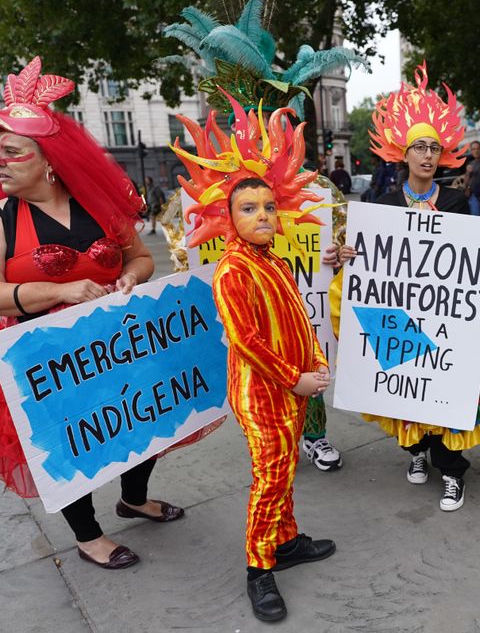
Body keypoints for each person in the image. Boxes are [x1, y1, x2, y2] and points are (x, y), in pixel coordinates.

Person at [0, 57, 193, 570]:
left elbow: (141, 257)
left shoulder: (98, 206)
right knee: (69, 445)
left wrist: (130, 277)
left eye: (13, 152)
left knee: (140, 424)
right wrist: (53, 291)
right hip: (46, 356)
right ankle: (88, 535)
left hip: (117, 344)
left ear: (49, 160)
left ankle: (134, 498)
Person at [171, 97, 336, 622]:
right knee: (269, 476)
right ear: (228, 218)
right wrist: (295, 377)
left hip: (292, 390)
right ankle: (259, 569)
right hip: (261, 395)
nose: (262, 215)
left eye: (268, 206)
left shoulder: (277, 262)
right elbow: (246, 339)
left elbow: (298, 318)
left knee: (285, 471)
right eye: (249, 208)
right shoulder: (232, 271)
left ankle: (285, 542)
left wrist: (315, 365)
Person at [344, 61, 480, 512]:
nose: (426, 154)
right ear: (403, 154)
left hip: (446, 321)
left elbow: (468, 260)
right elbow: (370, 264)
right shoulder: (380, 204)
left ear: (441, 156)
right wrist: (344, 256)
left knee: (448, 394)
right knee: (405, 391)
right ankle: (416, 453)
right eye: (418, 147)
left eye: (433, 148)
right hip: (400, 317)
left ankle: (452, 472)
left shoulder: (458, 201)